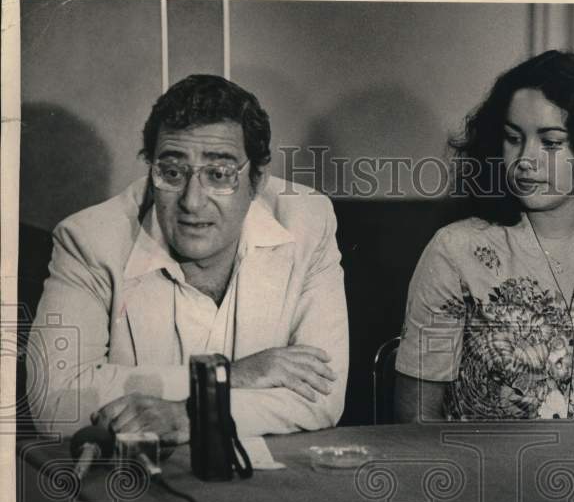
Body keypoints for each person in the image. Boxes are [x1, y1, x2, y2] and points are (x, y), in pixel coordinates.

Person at [27, 74, 348, 443]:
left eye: (219, 174)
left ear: (258, 180)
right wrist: (230, 376)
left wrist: (189, 415)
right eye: (172, 172)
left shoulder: (308, 221)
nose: (192, 201)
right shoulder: (89, 240)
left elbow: (322, 394)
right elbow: (56, 402)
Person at [395, 50, 574, 421]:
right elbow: (415, 419)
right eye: (513, 138)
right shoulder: (455, 250)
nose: (526, 159)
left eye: (551, 143)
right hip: (477, 458)